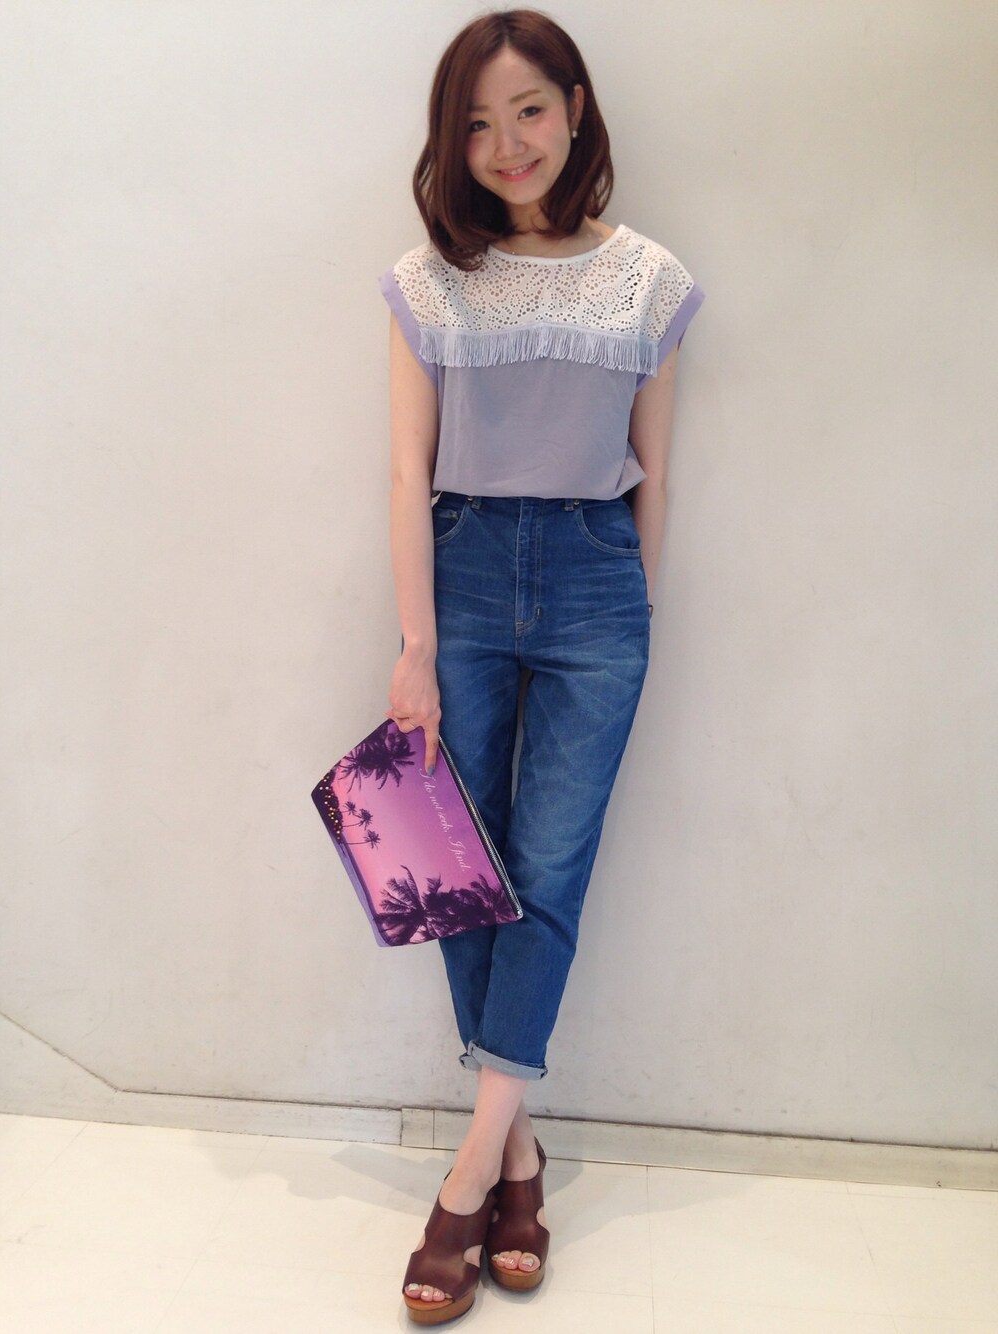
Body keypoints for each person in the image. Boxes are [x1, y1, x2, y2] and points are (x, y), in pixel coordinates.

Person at [377, 8, 704, 1325]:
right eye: (476, 122)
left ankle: (468, 1177)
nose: (506, 142)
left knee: (548, 872)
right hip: (460, 574)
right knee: (456, 872)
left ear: (575, 108)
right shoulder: (428, 281)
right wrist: (414, 643)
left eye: (527, 109)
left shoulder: (651, 282)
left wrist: (631, 608)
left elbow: (657, 472)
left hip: (594, 580)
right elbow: (404, 470)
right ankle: (516, 1156)